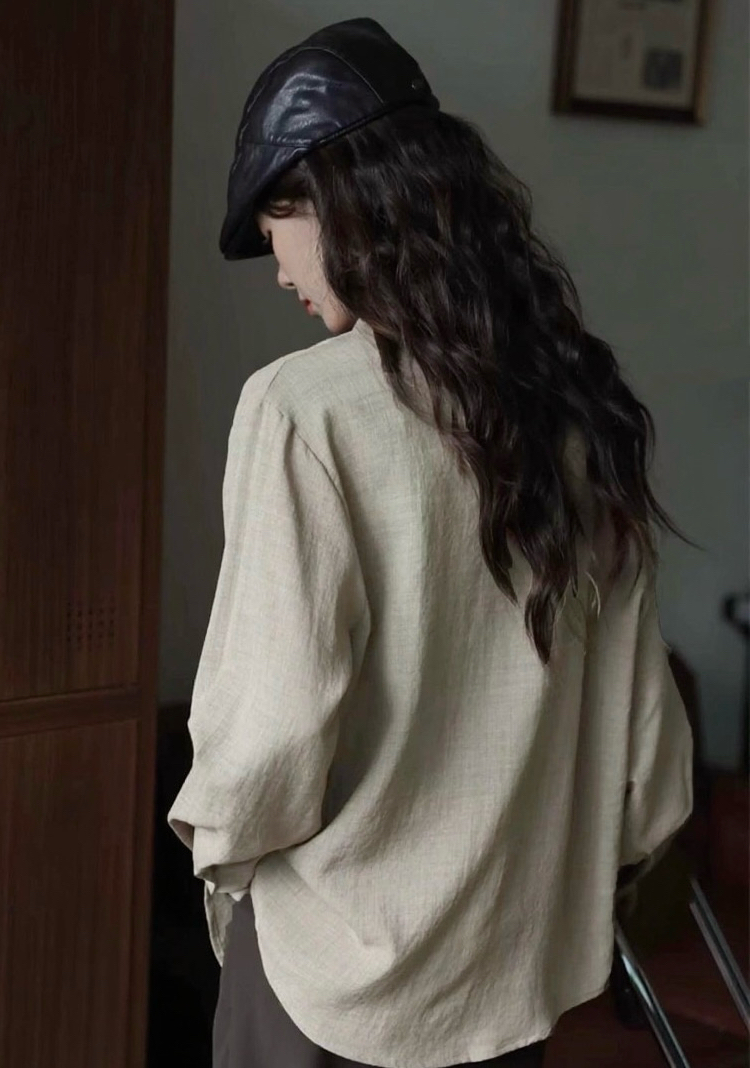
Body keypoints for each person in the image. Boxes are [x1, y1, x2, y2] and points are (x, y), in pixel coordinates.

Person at [168, 17, 693, 1068]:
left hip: (331, 978)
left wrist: (224, 866)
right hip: (508, 981)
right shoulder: (575, 406)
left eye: (274, 219)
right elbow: (649, 763)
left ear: (336, 202)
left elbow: (266, 741)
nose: (276, 266)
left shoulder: (302, 410)